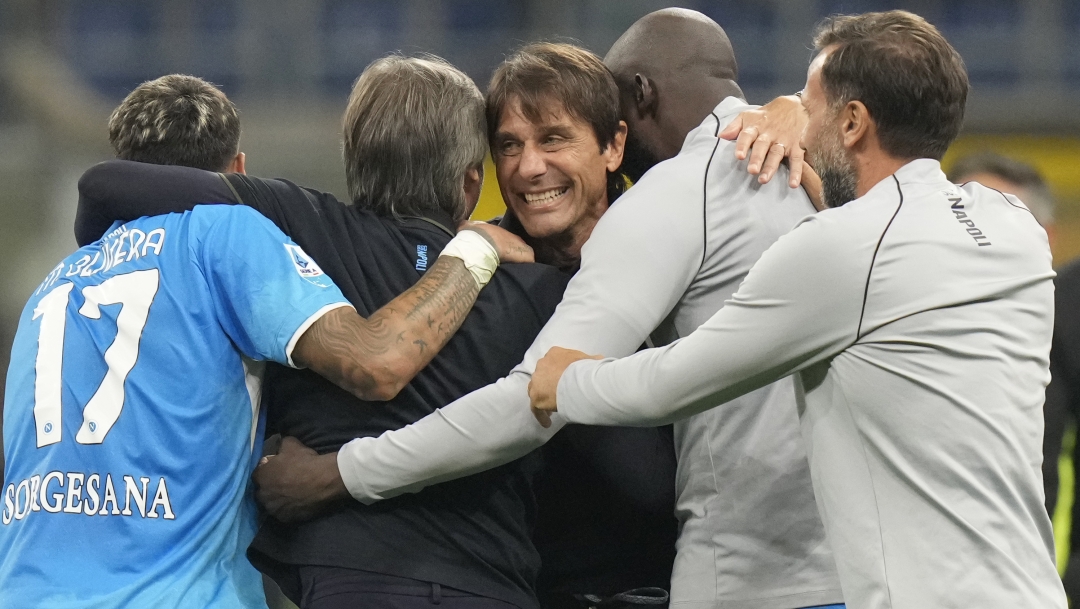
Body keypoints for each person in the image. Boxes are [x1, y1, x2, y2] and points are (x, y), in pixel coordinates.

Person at [268, 9, 847, 609]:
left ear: (614, 141)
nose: (529, 167)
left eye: (553, 139)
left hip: (691, 575)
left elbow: (535, 400)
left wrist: (792, 108)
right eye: (509, 146)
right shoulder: (470, 271)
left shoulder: (669, 217)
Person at [529, 10, 1067, 609]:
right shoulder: (1012, 226)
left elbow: (678, 380)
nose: (795, 128)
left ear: (855, 121)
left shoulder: (841, 249)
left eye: (807, 109)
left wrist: (570, 382)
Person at [0, 74, 529, 608]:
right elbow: (376, 362)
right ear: (239, 171)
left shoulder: (54, 284)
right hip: (171, 594)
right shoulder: (225, 232)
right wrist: (474, 249)